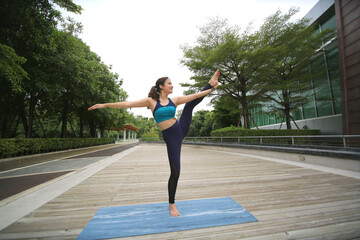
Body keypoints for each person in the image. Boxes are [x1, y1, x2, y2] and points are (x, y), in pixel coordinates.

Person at [88, 70, 220, 217]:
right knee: (175, 171)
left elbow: (195, 96)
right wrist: (105, 105)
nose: (172, 85)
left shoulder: (174, 100)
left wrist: (211, 87)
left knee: (189, 104)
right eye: (169, 83)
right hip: (172, 138)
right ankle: (172, 204)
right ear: (161, 86)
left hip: (180, 128)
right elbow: (127, 103)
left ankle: (211, 81)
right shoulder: (151, 102)